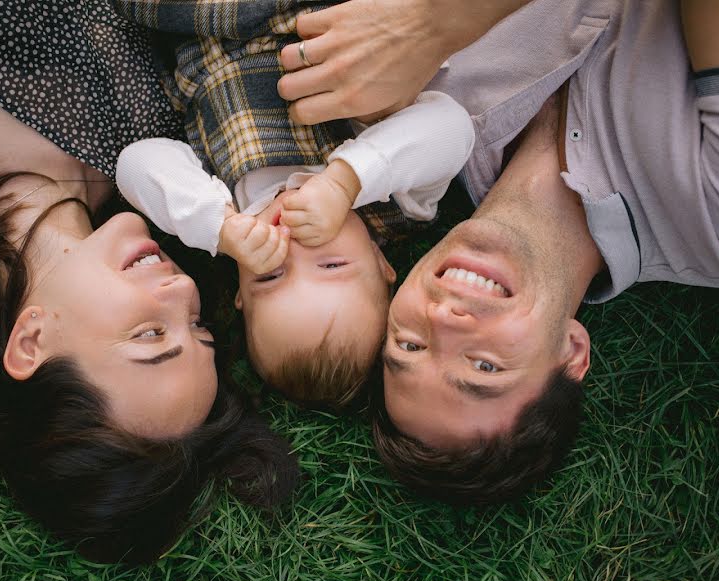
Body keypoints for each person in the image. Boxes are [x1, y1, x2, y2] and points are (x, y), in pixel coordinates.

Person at [278, 0, 719, 502]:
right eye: (485, 367)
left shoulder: (397, 112)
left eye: (409, 346)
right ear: (571, 352)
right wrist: (434, 23)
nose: (444, 319)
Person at [0, 0, 298, 564]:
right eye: (196, 325)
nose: (183, 294)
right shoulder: (141, 127)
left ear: (31, 342)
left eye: (149, 336)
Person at [112, 0, 473, 411]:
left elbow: (136, 162)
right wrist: (346, 182)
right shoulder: (397, 205)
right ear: (381, 263)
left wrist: (218, 227)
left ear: (241, 296)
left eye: (269, 276)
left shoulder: (226, 211)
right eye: (331, 265)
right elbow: (452, 126)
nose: (292, 244)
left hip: (203, 21)